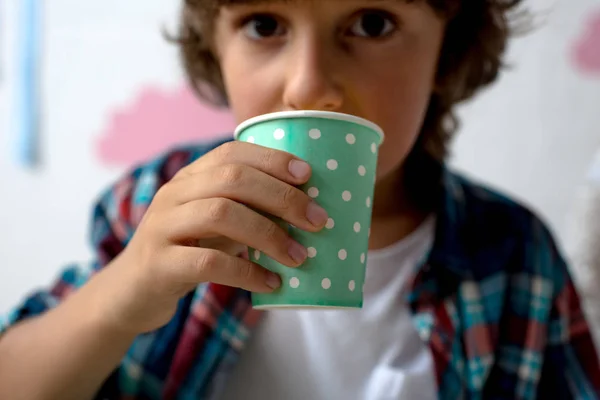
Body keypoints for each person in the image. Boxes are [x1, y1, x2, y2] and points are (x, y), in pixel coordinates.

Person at [1, 0, 599, 399]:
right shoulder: (154, 206)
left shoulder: (514, 254)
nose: (308, 84)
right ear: (216, 45)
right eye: (264, 24)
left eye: (371, 23)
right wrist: (121, 297)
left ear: (449, 46)